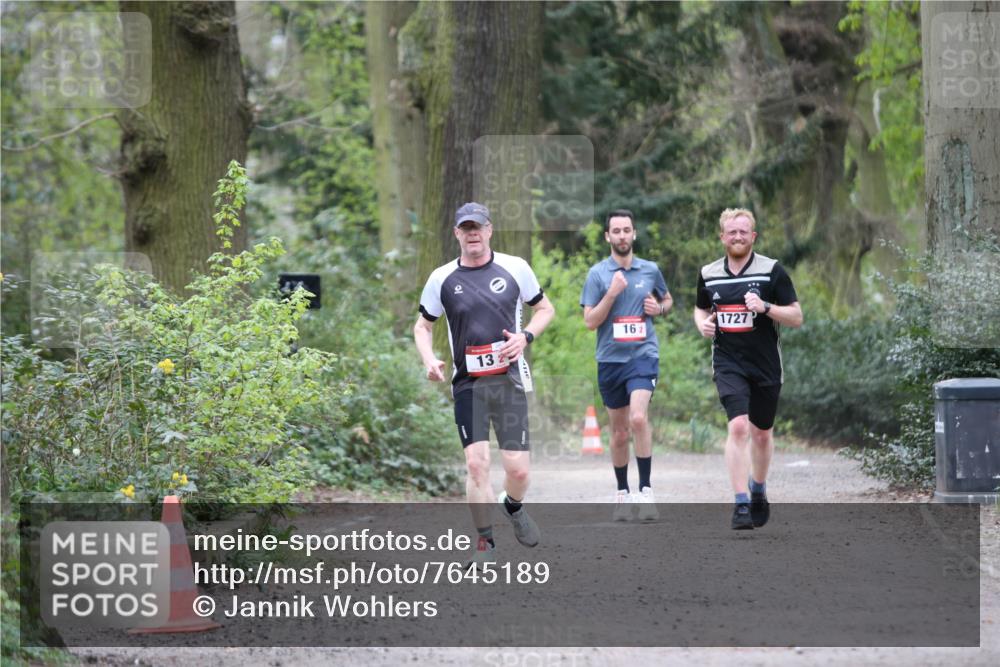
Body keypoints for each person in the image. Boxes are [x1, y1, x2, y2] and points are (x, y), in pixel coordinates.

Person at [414, 202, 555, 567]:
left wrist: (525, 337)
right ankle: (485, 544)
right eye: (466, 227)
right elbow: (422, 326)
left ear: (490, 230)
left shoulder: (515, 268)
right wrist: (429, 359)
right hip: (468, 385)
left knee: (518, 470)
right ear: (457, 233)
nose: (473, 233)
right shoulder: (441, 278)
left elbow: (546, 310)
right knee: (476, 465)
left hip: (508, 382)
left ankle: (513, 506)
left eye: (478, 227)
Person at [693, 208, 803, 530]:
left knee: (762, 433)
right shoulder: (709, 273)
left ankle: (758, 488)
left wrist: (766, 307)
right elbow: (700, 310)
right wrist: (703, 325)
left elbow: (796, 317)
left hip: (766, 364)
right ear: (722, 236)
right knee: (739, 427)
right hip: (728, 362)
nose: (738, 237)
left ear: (753, 236)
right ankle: (741, 503)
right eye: (732, 232)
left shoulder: (772, 271)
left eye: (744, 232)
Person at [581, 209, 672, 521]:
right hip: (610, 360)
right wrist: (612, 294)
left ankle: (645, 492)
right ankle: (622, 493)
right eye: (615, 231)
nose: (621, 235)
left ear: (634, 234)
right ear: (607, 236)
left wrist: (658, 308)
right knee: (619, 433)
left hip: (643, 356)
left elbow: (668, 300)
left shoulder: (650, 270)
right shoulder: (597, 274)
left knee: (638, 417)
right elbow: (590, 322)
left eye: (626, 230)